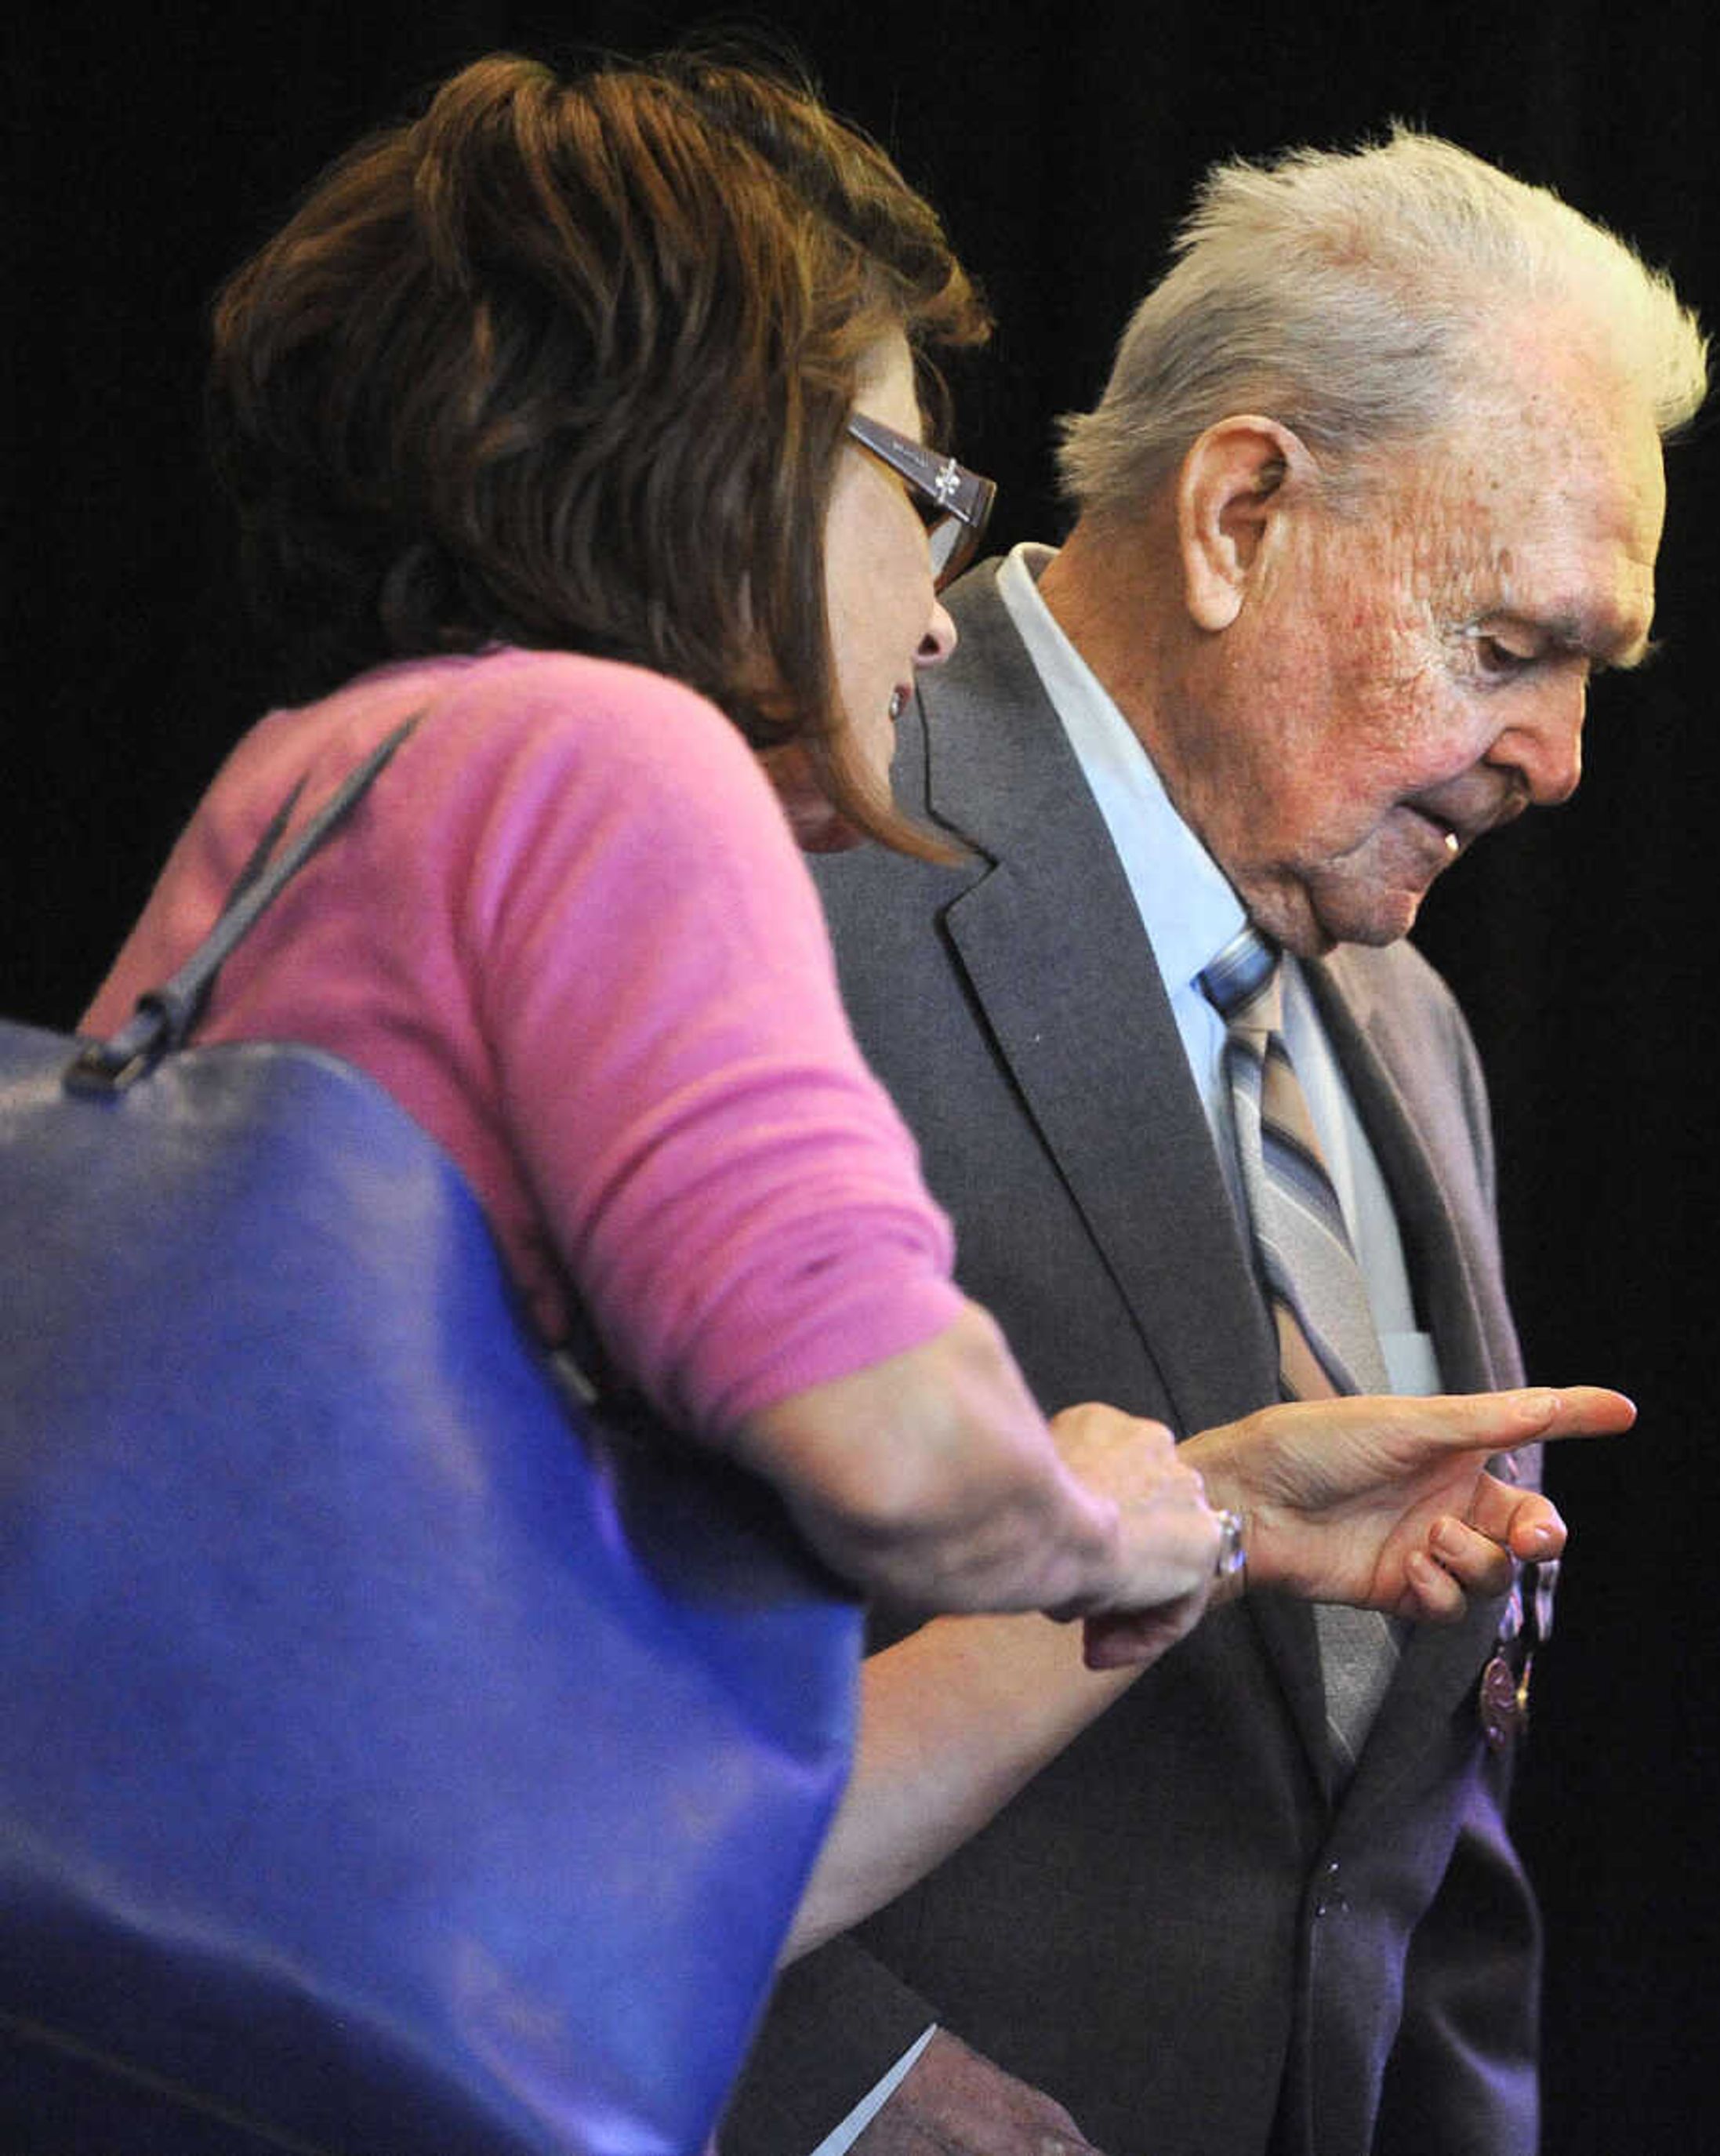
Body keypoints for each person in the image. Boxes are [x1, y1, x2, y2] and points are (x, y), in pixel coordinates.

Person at [91, 41, 1609, 1991]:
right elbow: (893, 1439)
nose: (935, 600)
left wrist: (1217, 1509)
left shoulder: (311, 775)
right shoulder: (616, 761)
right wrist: (1118, 1512)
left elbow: (684, 1872)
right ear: (725, 460)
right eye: (916, 484)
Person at [728, 128, 1706, 2156]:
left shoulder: (1410, 1027)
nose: (1561, 758)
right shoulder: (788, 834)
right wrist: (839, 2090)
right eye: (1507, 645)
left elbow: (1399, 1819)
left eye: (1589, 674)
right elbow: (510, 1652)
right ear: (1240, 511)